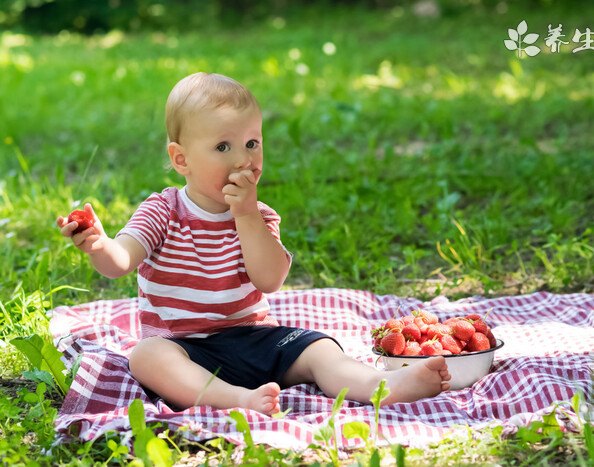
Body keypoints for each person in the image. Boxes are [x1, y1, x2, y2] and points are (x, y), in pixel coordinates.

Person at [57, 72, 451, 415]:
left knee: (319, 350)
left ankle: (384, 387)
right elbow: (121, 260)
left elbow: (269, 280)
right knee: (146, 357)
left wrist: (245, 214)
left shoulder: (259, 216)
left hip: (255, 339)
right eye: (223, 147)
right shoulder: (163, 211)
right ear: (181, 160)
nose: (244, 158)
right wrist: (98, 245)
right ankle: (233, 399)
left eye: (252, 143)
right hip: (186, 349)